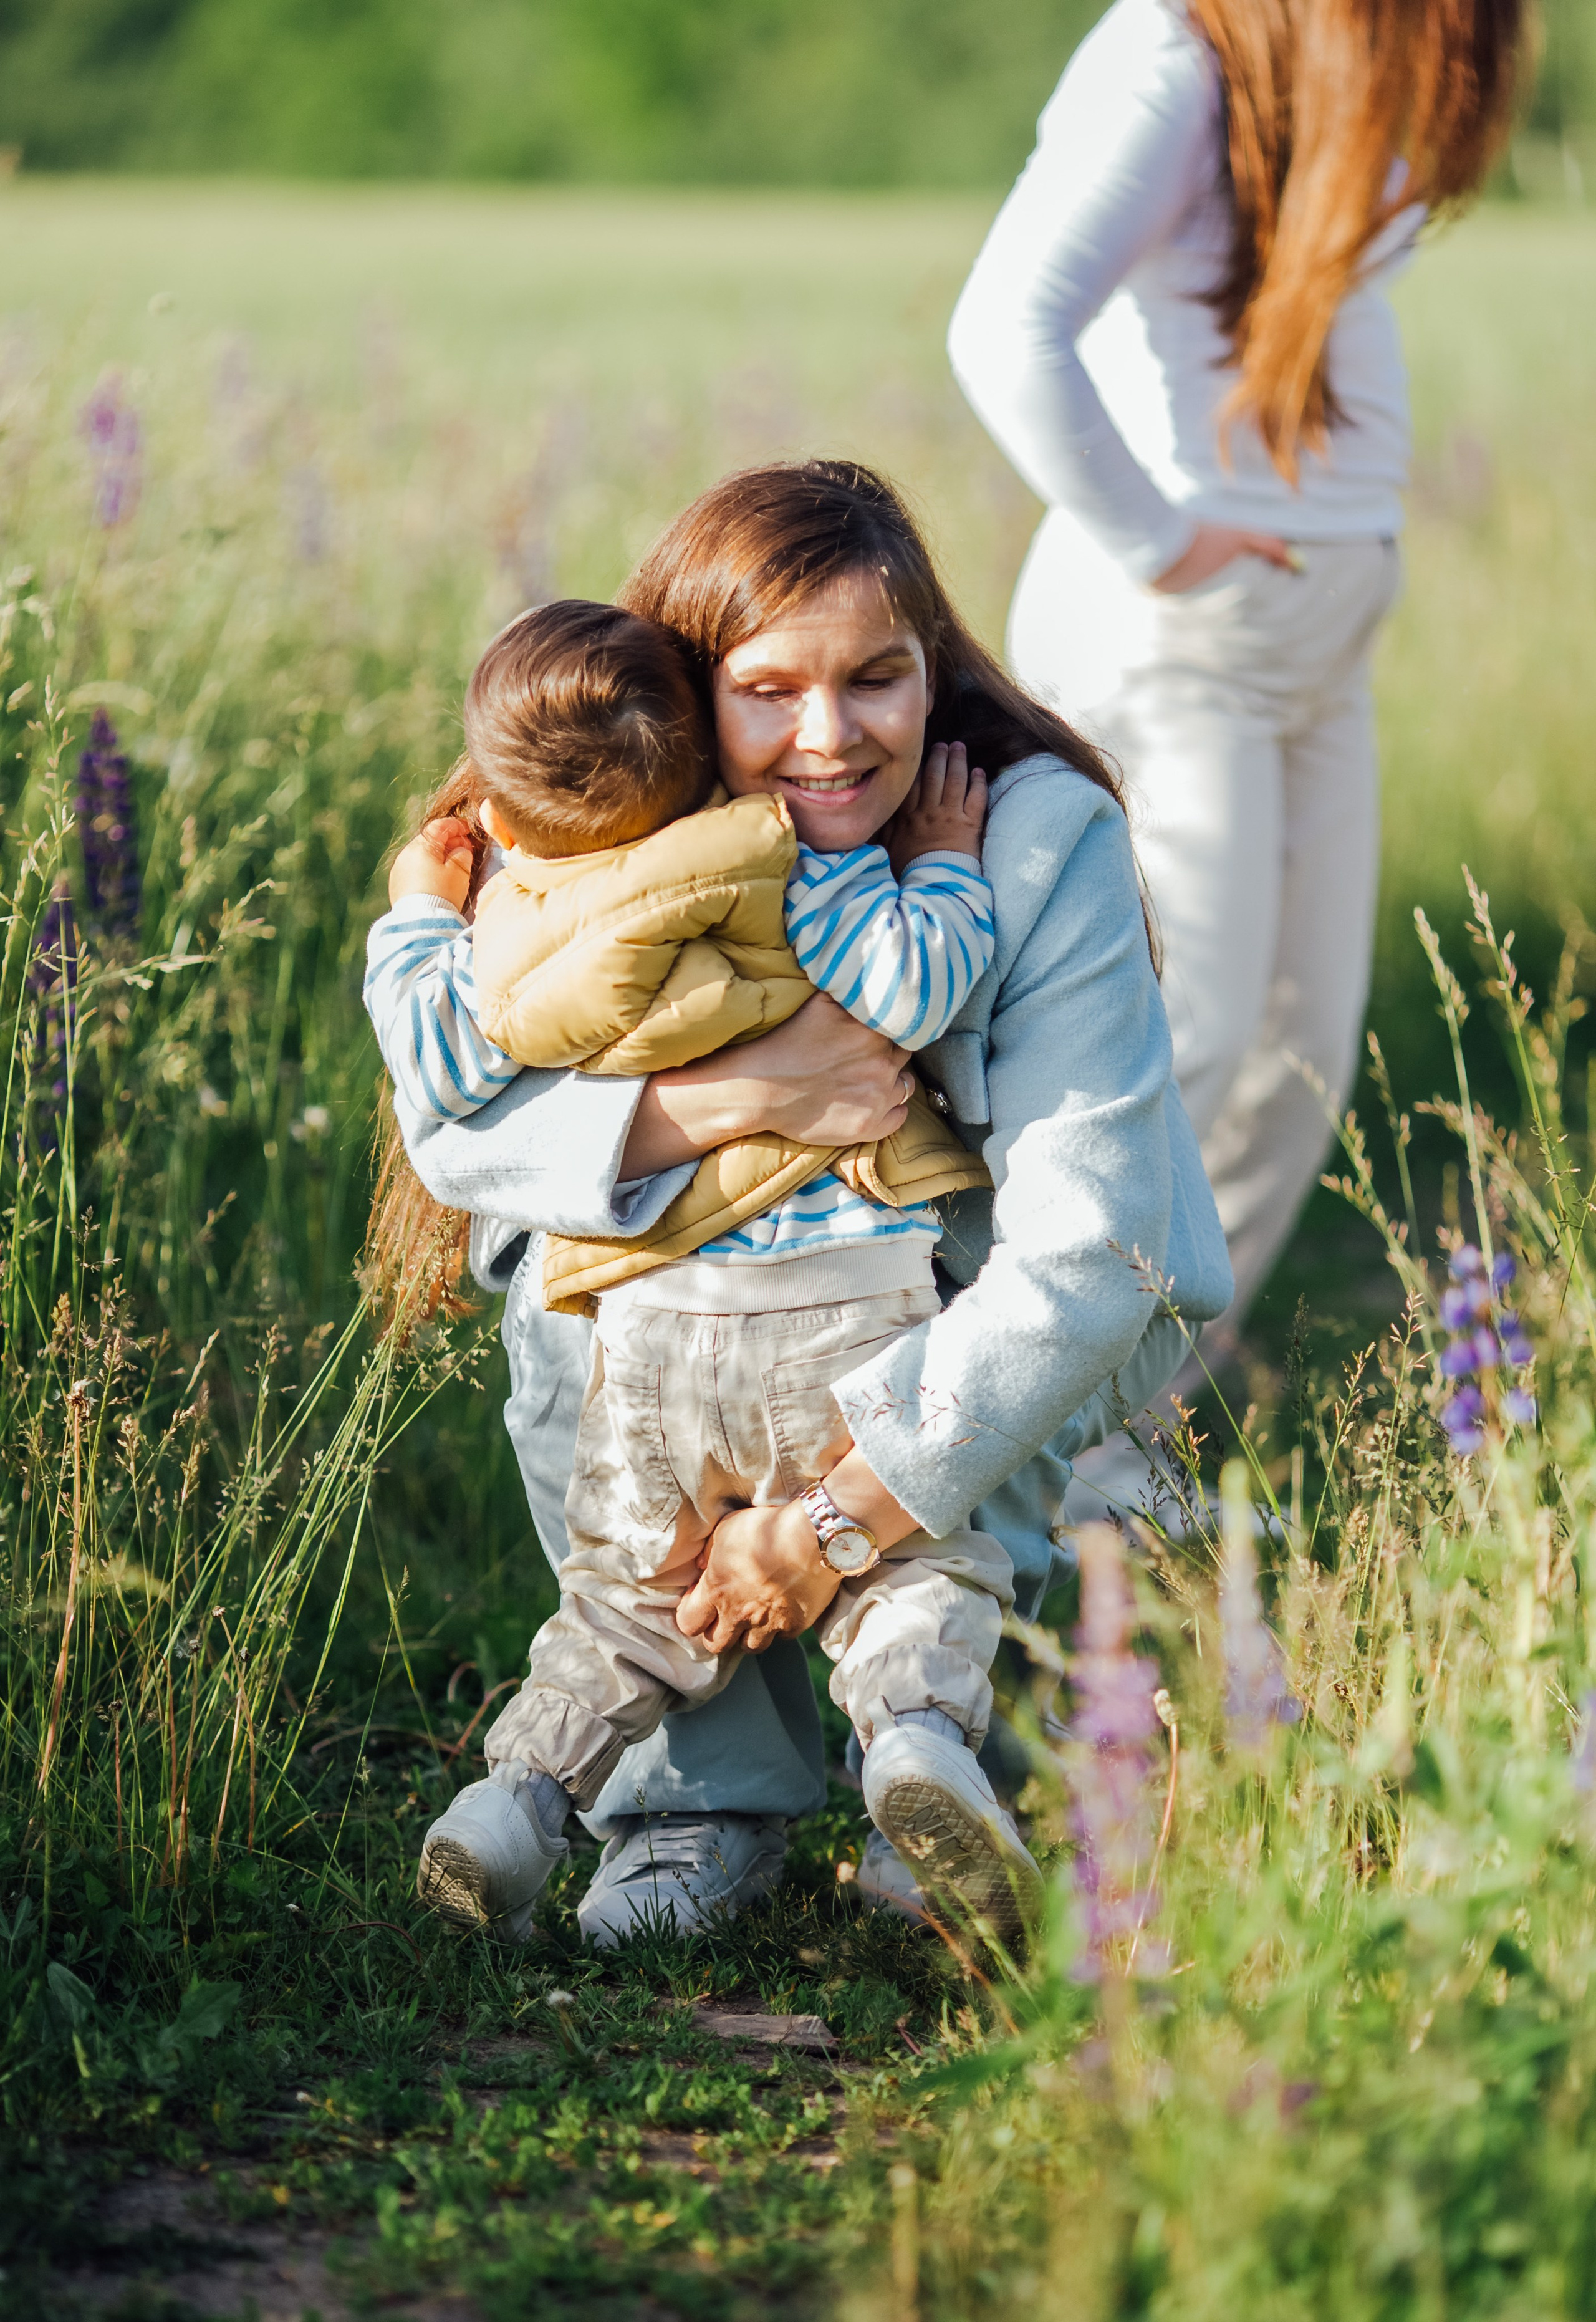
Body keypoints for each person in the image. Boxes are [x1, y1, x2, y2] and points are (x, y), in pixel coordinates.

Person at [367, 460, 1232, 1944]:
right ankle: (698, 1789)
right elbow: (456, 1137)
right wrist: (746, 1092)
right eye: (767, 689)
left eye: (876, 679)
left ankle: (941, 1754)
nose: (828, 737)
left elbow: (1090, 1251)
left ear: (931, 672)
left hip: (959, 1290)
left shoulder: (1026, 837)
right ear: (686, 693)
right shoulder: (611, 816)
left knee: (979, 1337)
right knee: (563, 1285)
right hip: (700, 1316)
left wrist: (824, 1523)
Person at [948, 0, 1524, 1513]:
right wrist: (1158, 534)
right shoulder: (1176, 59)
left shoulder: (1329, 62)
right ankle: (987, 1459)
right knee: (1168, 1053)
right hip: (1177, 643)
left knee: (1290, 1058)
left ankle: (1108, 1448)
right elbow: (1003, 318)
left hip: (1306, 655)